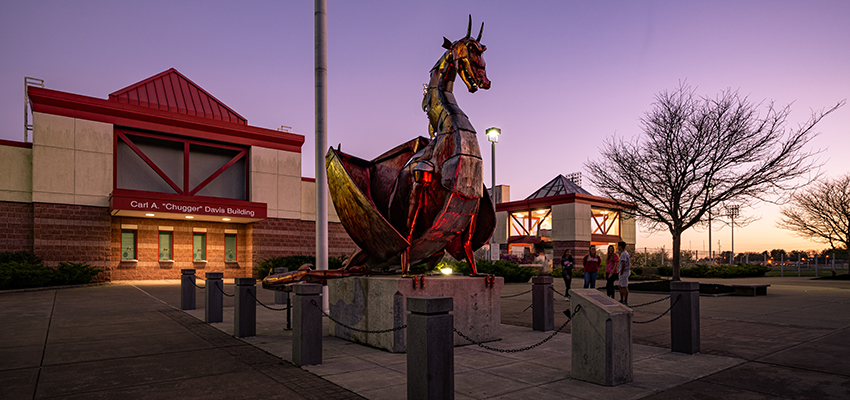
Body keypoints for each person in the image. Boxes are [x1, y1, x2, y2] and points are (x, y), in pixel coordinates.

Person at [617, 241, 631, 305]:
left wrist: (621, 271)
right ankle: (621, 299)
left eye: (618, 246)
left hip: (624, 272)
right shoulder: (624, 253)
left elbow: (624, 263)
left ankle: (625, 300)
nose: (617, 247)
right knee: (620, 285)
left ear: (621, 246)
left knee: (624, 286)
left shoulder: (623, 254)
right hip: (623, 272)